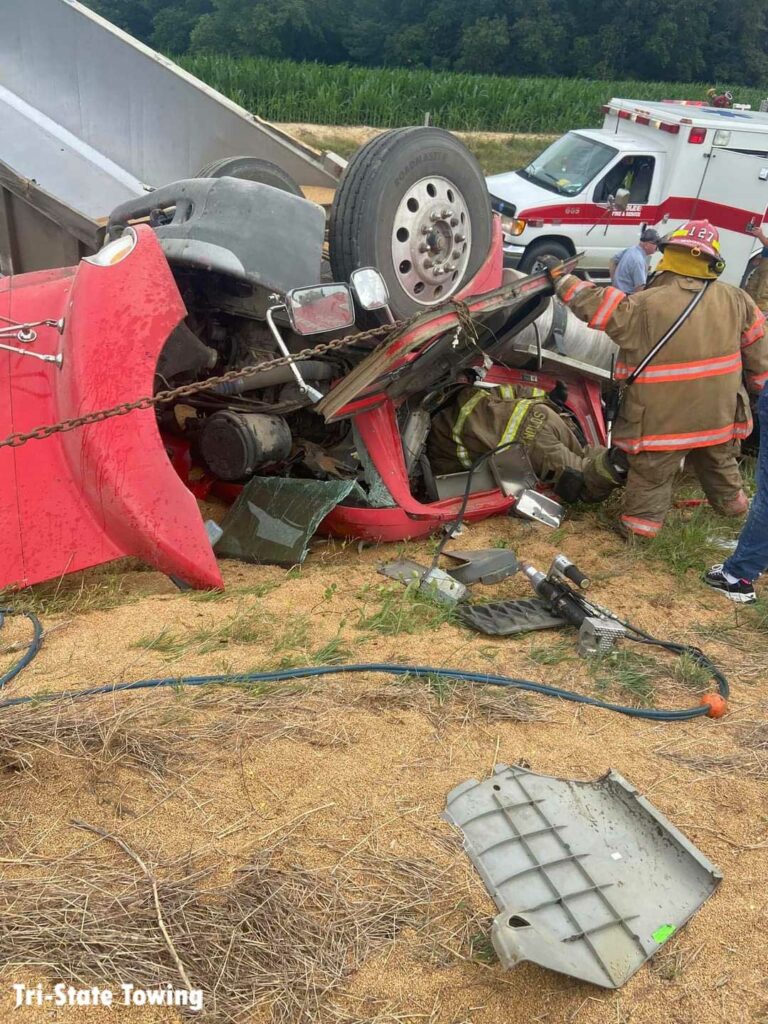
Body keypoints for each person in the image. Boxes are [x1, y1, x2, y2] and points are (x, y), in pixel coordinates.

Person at [542, 219, 768, 539]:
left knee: (651, 477)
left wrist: (561, 280)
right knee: (721, 466)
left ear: (668, 256)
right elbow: (759, 354)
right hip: (719, 418)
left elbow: (597, 306)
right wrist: (759, 387)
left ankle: (639, 533)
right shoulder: (737, 299)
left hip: (662, 424)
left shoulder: (647, 304)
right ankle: (736, 513)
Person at [427, 382, 628, 504]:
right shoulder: (470, 395)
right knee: (584, 453)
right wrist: (549, 399)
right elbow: (514, 391)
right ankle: (622, 458)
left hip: (531, 441)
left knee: (584, 478)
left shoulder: (439, 437)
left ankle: (619, 465)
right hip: (543, 415)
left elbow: (443, 481)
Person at [610, 228, 661, 294]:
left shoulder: (631, 249)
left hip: (617, 292)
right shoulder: (638, 260)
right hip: (626, 296)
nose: (657, 247)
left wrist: (614, 282)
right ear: (646, 245)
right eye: (656, 244)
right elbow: (640, 287)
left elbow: (613, 260)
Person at [743, 222, 768, 311]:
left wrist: (760, 235)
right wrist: (761, 256)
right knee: (750, 291)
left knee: (762, 297)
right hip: (765, 263)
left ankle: (760, 322)